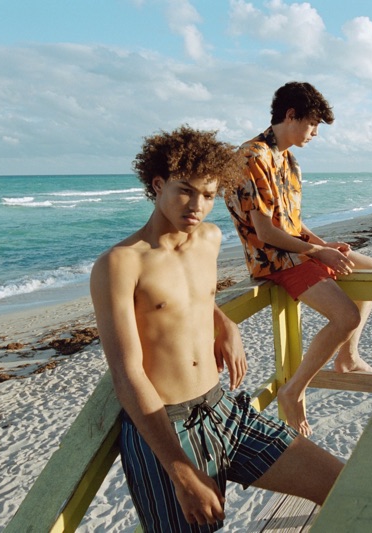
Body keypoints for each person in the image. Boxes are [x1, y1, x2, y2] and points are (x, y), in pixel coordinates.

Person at [90, 126, 343, 532]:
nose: (197, 205)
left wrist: (222, 321)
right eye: (185, 190)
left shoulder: (208, 238)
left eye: (209, 195)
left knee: (342, 482)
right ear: (158, 185)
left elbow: (194, 297)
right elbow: (126, 373)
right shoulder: (120, 264)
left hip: (224, 409)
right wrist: (181, 473)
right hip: (165, 429)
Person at [224, 81, 372, 437]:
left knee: (371, 268)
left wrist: (326, 245)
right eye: (312, 124)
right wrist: (315, 251)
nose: (315, 133)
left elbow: (294, 224)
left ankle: (347, 357)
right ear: (291, 115)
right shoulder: (252, 157)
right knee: (346, 316)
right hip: (275, 262)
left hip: (297, 252)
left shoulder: (288, 160)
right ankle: (292, 390)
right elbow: (266, 233)